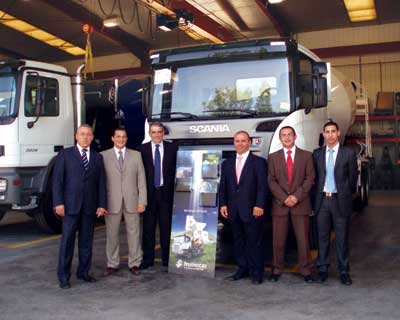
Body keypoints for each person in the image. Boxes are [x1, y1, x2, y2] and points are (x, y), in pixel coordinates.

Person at [53, 124, 107, 289]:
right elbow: (57, 181)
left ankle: (83, 272)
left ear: (92, 137)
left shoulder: (98, 157)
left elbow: (101, 184)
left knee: (86, 242)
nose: (85, 137)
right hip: (70, 206)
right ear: (76, 136)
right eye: (82, 134)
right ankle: (63, 276)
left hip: (89, 207)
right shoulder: (65, 155)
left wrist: (101, 204)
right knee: (67, 242)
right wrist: (58, 203)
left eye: (88, 134)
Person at [219, 131, 268, 284]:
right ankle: (242, 269)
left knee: (254, 241)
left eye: (243, 141)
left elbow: (262, 186)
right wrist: (223, 204)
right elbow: (223, 186)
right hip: (233, 210)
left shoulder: (259, 162)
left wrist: (259, 205)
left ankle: (257, 272)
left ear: (249, 143)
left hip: (252, 209)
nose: (240, 144)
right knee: (238, 242)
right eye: (237, 141)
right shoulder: (227, 163)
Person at [268, 126, 315, 283]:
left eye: (289, 135)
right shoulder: (273, 157)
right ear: (280, 138)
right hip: (280, 205)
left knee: (303, 239)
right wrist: (284, 198)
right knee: (278, 240)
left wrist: (296, 197)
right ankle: (276, 268)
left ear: (295, 137)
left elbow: (310, 179)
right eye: (283, 135)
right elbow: (271, 180)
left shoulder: (307, 156)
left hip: (300, 204)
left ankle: (306, 270)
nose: (287, 138)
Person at [313, 121, 358, 285]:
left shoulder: (348, 153)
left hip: (340, 200)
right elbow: (315, 179)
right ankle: (322, 270)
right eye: (327, 132)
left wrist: (345, 194)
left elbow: (353, 179)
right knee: (322, 238)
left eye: (333, 131)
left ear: (338, 133)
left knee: (341, 238)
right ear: (323, 134)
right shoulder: (317, 154)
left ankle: (344, 271)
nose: (330, 134)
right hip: (322, 200)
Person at [101, 128, 147, 276]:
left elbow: (141, 180)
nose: (121, 139)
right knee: (112, 234)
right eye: (118, 137)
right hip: (111, 201)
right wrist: (101, 203)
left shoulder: (136, 155)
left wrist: (142, 201)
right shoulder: (103, 156)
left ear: (127, 139)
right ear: (112, 138)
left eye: (123, 137)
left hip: (132, 201)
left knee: (134, 234)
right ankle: (112, 263)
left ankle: (135, 263)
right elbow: (100, 183)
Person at [138, 122, 177, 270]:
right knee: (148, 228)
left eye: (159, 132)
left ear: (163, 133)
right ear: (149, 134)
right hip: (148, 194)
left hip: (166, 193)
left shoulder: (172, 148)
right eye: (153, 132)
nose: (157, 135)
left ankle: (167, 259)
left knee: (166, 227)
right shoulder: (142, 149)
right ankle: (148, 260)